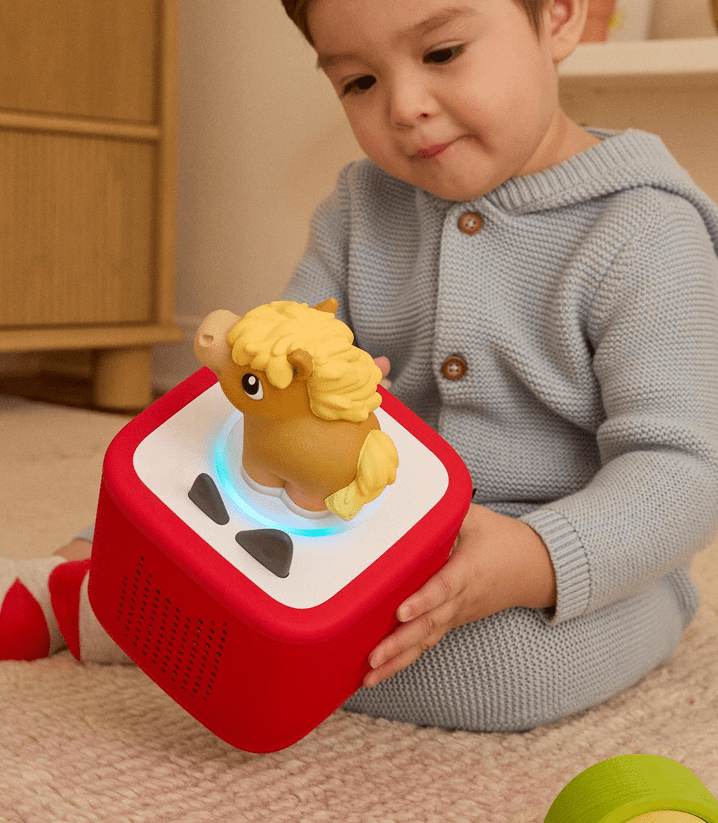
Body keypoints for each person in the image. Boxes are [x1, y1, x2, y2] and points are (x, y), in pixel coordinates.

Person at [3, 0, 718, 733]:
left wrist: (534, 557)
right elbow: (280, 357)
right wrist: (289, 375)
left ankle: (124, 616)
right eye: (359, 83)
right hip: (359, 524)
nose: (404, 107)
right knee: (194, 457)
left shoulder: (646, 232)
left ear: (560, 18)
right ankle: (106, 569)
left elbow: (681, 472)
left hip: (565, 559)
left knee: (504, 672)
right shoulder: (359, 205)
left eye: (442, 54)